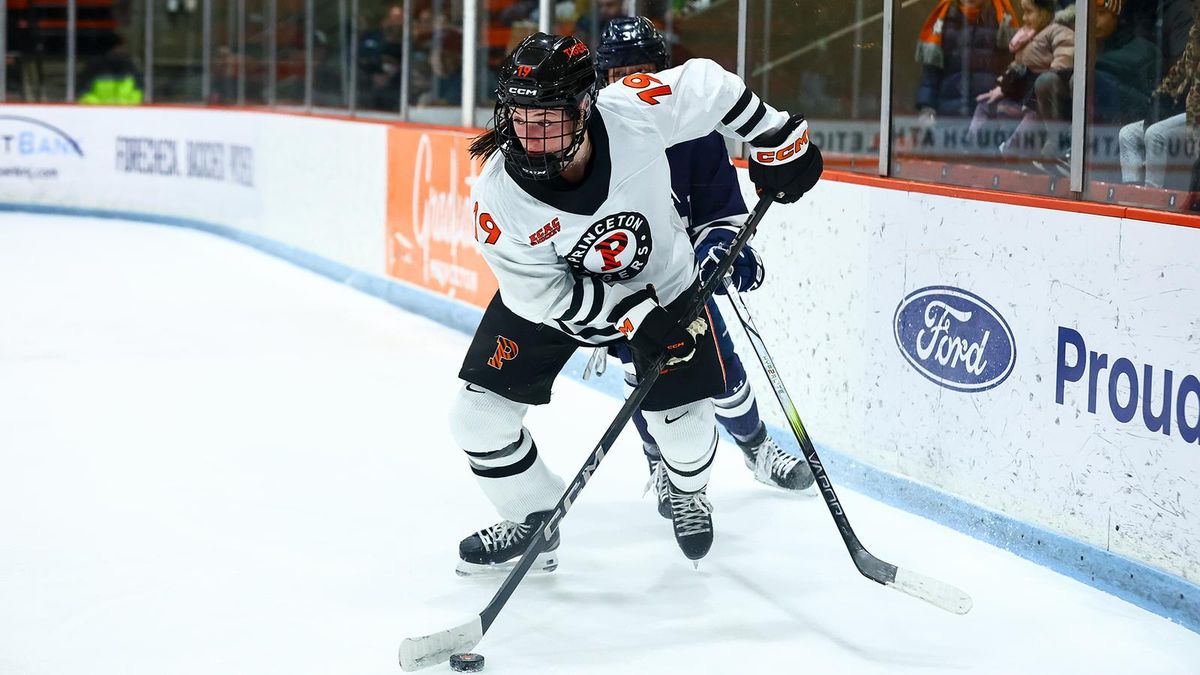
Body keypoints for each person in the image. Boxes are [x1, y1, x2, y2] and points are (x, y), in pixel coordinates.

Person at [450, 32, 822, 575]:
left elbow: (707, 85)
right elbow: (540, 295)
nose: (530, 136)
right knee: (477, 418)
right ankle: (534, 520)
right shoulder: (497, 196)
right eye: (519, 118)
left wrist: (778, 138)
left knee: (687, 430)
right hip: (560, 301)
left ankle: (688, 490)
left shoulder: (631, 113)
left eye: (547, 119)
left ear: (584, 106)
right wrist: (629, 315)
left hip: (663, 287)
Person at [594, 16, 815, 520]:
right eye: (618, 74)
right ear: (602, 80)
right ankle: (663, 466)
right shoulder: (592, 143)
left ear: (662, 73)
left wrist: (725, 249)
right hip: (623, 290)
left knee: (724, 371)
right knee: (643, 380)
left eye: (641, 71)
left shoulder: (695, 134)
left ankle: (756, 449)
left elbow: (721, 213)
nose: (630, 83)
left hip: (679, 279)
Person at [915, 0, 1019, 125]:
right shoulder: (944, 15)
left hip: (990, 116)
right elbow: (932, 69)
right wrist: (927, 108)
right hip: (950, 116)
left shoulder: (1001, 15)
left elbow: (1012, 67)